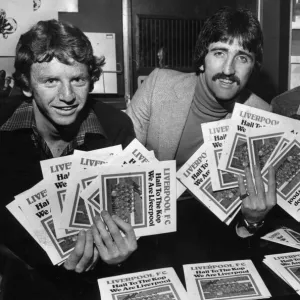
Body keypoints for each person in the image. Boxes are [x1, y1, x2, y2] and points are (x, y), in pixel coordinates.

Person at [0, 19, 137, 300]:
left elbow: (135, 219)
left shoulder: (116, 128)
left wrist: (119, 257)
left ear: (91, 80)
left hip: (98, 281)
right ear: (27, 86)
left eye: (78, 80)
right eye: (50, 81)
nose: (67, 96)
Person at [126, 7, 276, 236]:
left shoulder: (264, 117)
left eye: (242, 58)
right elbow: (118, 167)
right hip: (147, 226)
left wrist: (253, 221)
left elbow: (254, 217)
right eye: (219, 53)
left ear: (252, 68)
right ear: (202, 60)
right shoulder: (158, 86)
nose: (228, 69)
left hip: (215, 233)